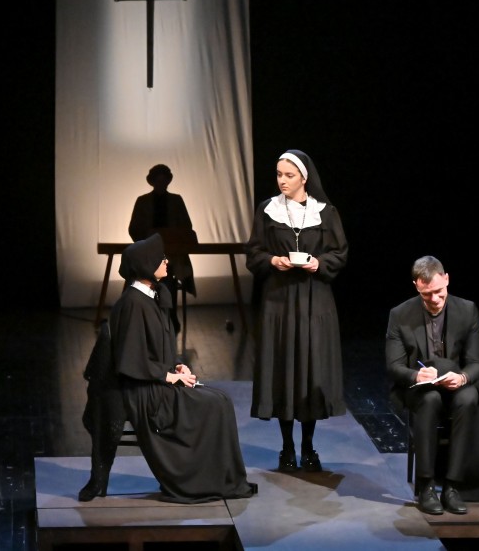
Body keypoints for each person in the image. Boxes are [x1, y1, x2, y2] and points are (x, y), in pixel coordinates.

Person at [110, 233, 257, 503]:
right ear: (146, 264)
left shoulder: (151, 297)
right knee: (214, 404)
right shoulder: (132, 303)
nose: (166, 261)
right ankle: (201, 481)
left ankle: (223, 478)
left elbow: (156, 349)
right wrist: (168, 377)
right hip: (144, 391)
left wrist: (177, 366)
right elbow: (130, 360)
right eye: (160, 258)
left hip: (156, 380)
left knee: (221, 400)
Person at [245, 149, 348, 473]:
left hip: (315, 300)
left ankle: (308, 446)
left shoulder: (325, 212)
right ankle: (287, 447)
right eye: (279, 174)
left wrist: (319, 263)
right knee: (284, 371)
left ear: (304, 177)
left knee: (310, 371)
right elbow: (253, 253)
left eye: (288, 175)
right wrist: (273, 260)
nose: (282, 180)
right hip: (279, 300)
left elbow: (340, 252)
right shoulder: (268, 210)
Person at [385, 255, 479, 515]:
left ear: (447, 279)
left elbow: (475, 363)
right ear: (416, 286)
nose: (435, 299)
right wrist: (417, 376)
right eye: (427, 294)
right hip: (421, 388)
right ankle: (426, 485)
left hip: (455, 383)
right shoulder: (400, 314)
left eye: (439, 291)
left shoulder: (467, 310)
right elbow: (394, 366)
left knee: (468, 399)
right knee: (430, 400)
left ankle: (452, 486)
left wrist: (462, 378)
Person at [128, 164, 196, 334]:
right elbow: (134, 228)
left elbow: (186, 226)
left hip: (172, 253)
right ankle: (148, 317)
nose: (161, 183)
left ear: (167, 181)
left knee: (169, 275)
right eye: (158, 180)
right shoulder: (142, 201)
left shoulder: (176, 201)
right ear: (152, 182)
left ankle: (169, 314)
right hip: (147, 254)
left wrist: (173, 238)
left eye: (163, 180)